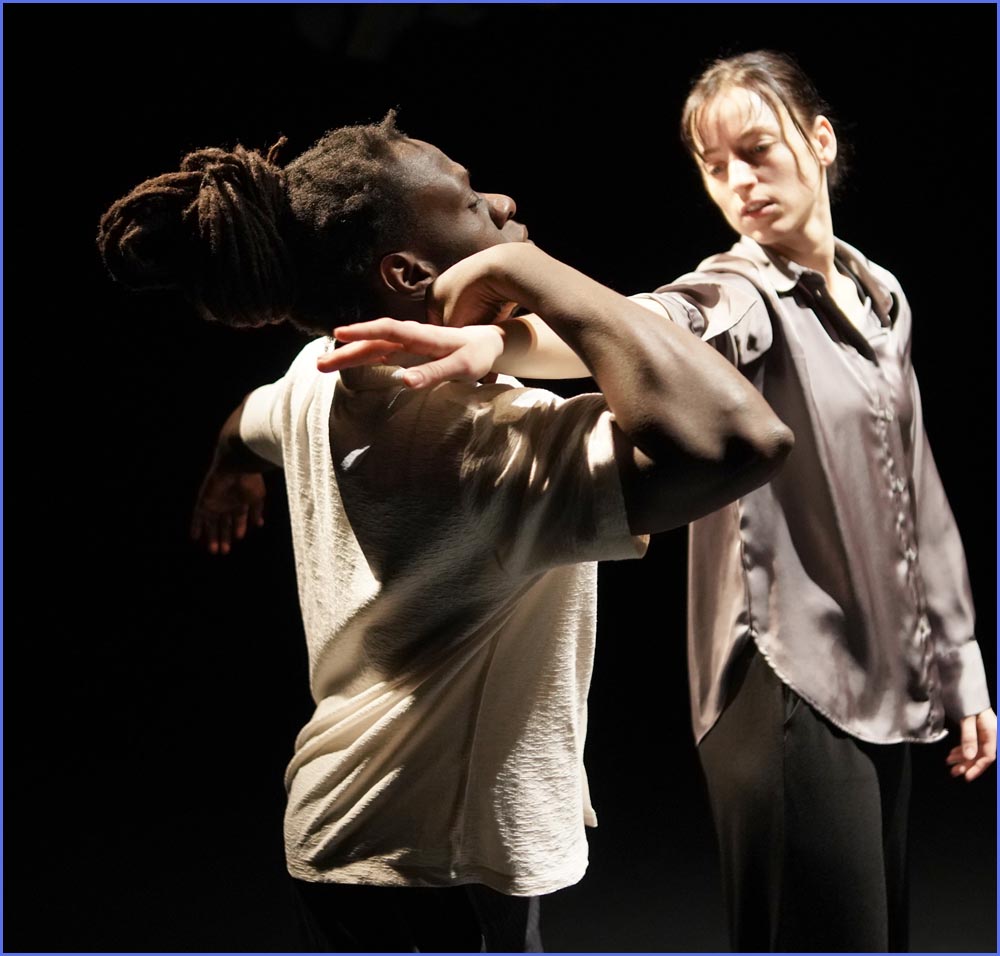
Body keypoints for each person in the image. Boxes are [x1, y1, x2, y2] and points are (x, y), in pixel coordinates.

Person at [334, 54, 997, 952]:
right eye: (714, 167)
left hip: (892, 675)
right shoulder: (743, 290)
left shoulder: (883, 298)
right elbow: (653, 321)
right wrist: (502, 346)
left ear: (821, 141)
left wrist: (961, 665)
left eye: (756, 151)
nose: (738, 182)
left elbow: (916, 489)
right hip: (789, 681)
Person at [95, 114, 792, 952]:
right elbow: (746, 438)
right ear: (407, 271)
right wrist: (531, 272)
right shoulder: (489, 442)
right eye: (469, 202)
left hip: (341, 834)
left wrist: (228, 468)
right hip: (442, 865)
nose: (502, 204)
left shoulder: (324, 371)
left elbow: (249, 420)